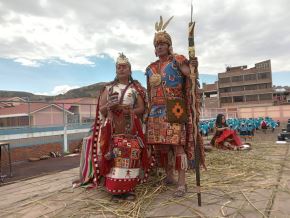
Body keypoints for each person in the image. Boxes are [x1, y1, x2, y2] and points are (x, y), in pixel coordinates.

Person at [77, 53, 152, 201]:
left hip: (130, 128)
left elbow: (142, 109)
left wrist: (126, 110)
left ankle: (128, 188)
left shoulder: (136, 89)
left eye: (124, 67)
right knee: (114, 153)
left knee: (131, 153)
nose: (121, 69)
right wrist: (110, 106)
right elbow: (102, 110)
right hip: (113, 128)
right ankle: (114, 189)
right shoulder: (108, 88)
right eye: (118, 67)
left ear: (130, 70)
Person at [145, 17, 205, 197]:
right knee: (162, 147)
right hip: (155, 111)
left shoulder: (178, 60)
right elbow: (149, 91)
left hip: (175, 108)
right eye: (157, 45)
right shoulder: (150, 68)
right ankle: (169, 176)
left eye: (163, 43)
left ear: (169, 45)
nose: (159, 47)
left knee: (178, 146)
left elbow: (190, 75)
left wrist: (193, 65)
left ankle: (181, 183)